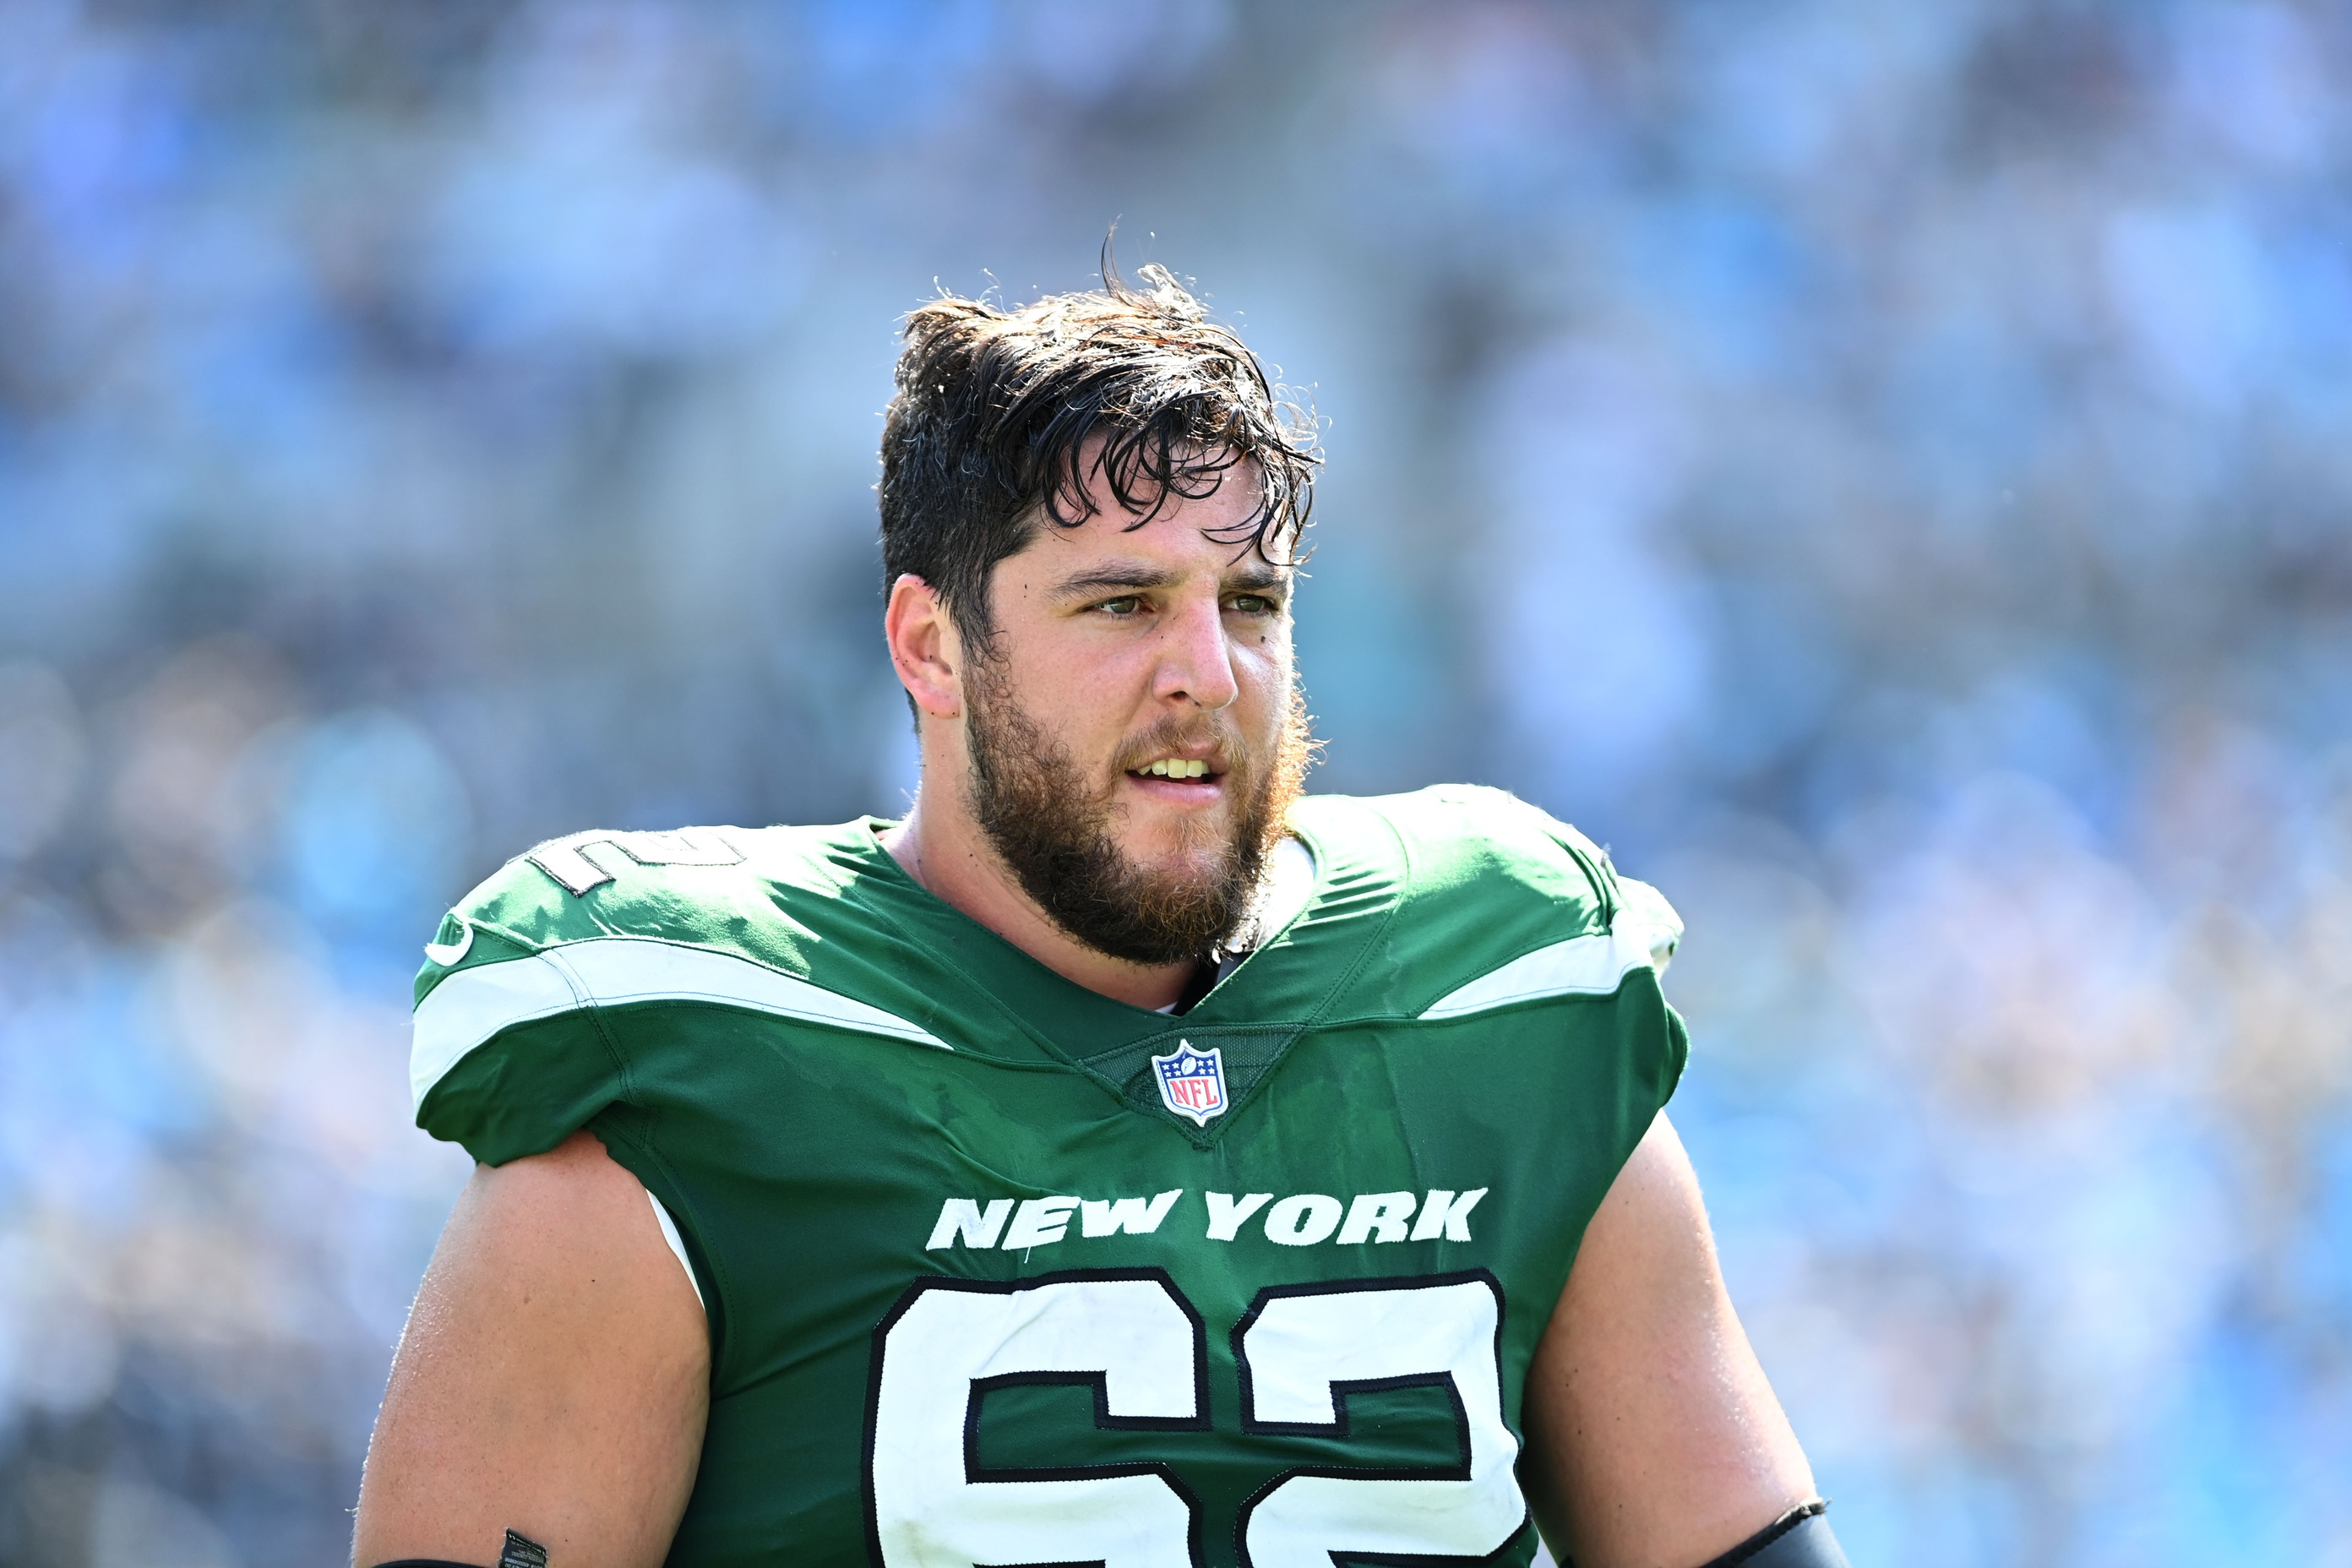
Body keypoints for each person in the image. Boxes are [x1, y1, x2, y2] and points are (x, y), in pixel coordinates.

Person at [353, 264, 1846, 1568]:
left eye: (1249, 603)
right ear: (933, 648)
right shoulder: (689, 1057)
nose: (1207, 669)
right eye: (1122, 604)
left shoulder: (1503, 1000)